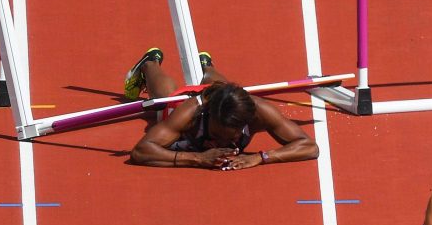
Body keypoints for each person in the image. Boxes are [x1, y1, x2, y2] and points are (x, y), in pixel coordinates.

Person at [123, 48, 318, 169]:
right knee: (167, 96)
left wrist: (262, 157)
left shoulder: (259, 111)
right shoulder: (190, 113)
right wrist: (197, 159)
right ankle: (149, 63)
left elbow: (309, 147)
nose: (221, 142)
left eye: (230, 136)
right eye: (217, 134)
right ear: (209, 115)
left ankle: (206, 67)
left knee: (225, 89)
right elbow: (141, 151)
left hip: (220, 95)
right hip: (180, 109)